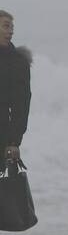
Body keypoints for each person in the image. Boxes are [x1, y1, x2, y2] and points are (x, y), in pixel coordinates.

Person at [0, 10, 31, 164]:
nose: (10, 31)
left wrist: (13, 142)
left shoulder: (17, 63)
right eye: (6, 26)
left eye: (12, 27)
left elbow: (22, 104)